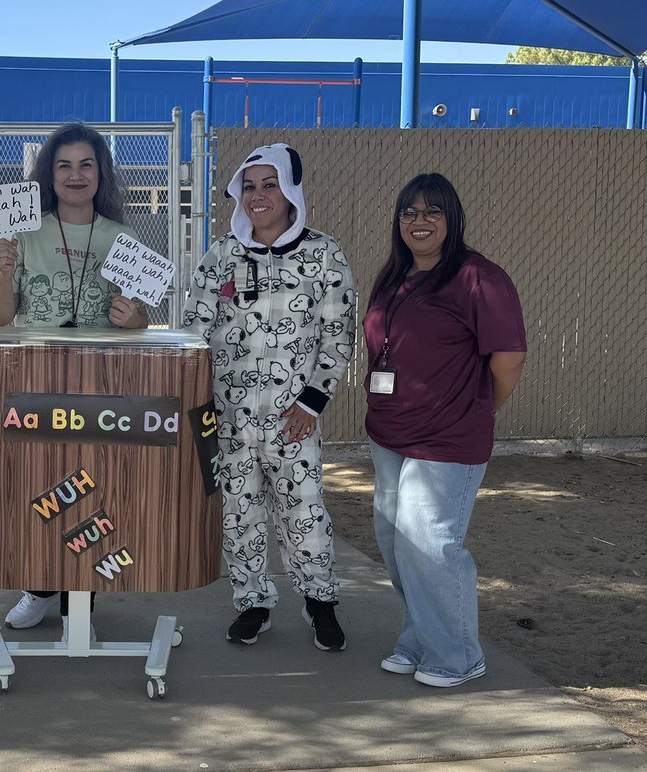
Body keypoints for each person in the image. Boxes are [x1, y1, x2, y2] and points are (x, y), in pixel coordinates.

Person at [182, 143, 355, 652]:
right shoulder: (221, 255)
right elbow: (196, 330)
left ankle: (320, 601)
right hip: (228, 416)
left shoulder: (324, 254)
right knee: (239, 512)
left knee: (303, 512)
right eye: (249, 186)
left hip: (293, 418)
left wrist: (312, 404)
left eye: (270, 184)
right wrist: (198, 402)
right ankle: (252, 603)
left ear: (291, 191)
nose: (259, 196)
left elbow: (337, 334)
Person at [0, 122, 147, 637]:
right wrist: (4, 271)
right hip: (37, 381)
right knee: (40, 486)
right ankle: (38, 586)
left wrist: (133, 318)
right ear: (48, 175)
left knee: (95, 489)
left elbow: (141, 317)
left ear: (101, 173)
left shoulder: (121, 238)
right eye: (64, 165)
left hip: (102, 384)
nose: (75, 175)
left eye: (86, 165)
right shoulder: (24, 232)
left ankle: (85, 594)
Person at [364, 173, 526, 688]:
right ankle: (420, 639)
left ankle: (457, 656)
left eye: (433, 211)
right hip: (390, 433)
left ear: (452, 218)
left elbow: (510, 360)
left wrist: (476, 408)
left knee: (431, 544)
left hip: (447, 439)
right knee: (396, 543)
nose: (420, 221)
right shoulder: (395, 276)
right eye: (409, 212)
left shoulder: (480, 278)